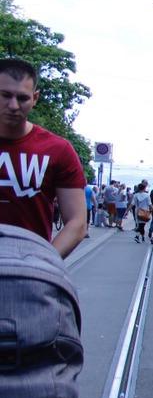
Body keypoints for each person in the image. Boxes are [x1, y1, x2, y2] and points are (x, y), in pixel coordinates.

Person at [0, 58, 87, 256]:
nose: (13, 105)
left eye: (22, 98)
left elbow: (77, 223)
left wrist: (44, 263)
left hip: (28, 274)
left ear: (35, 97)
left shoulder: (58, 150)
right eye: (5, 95)